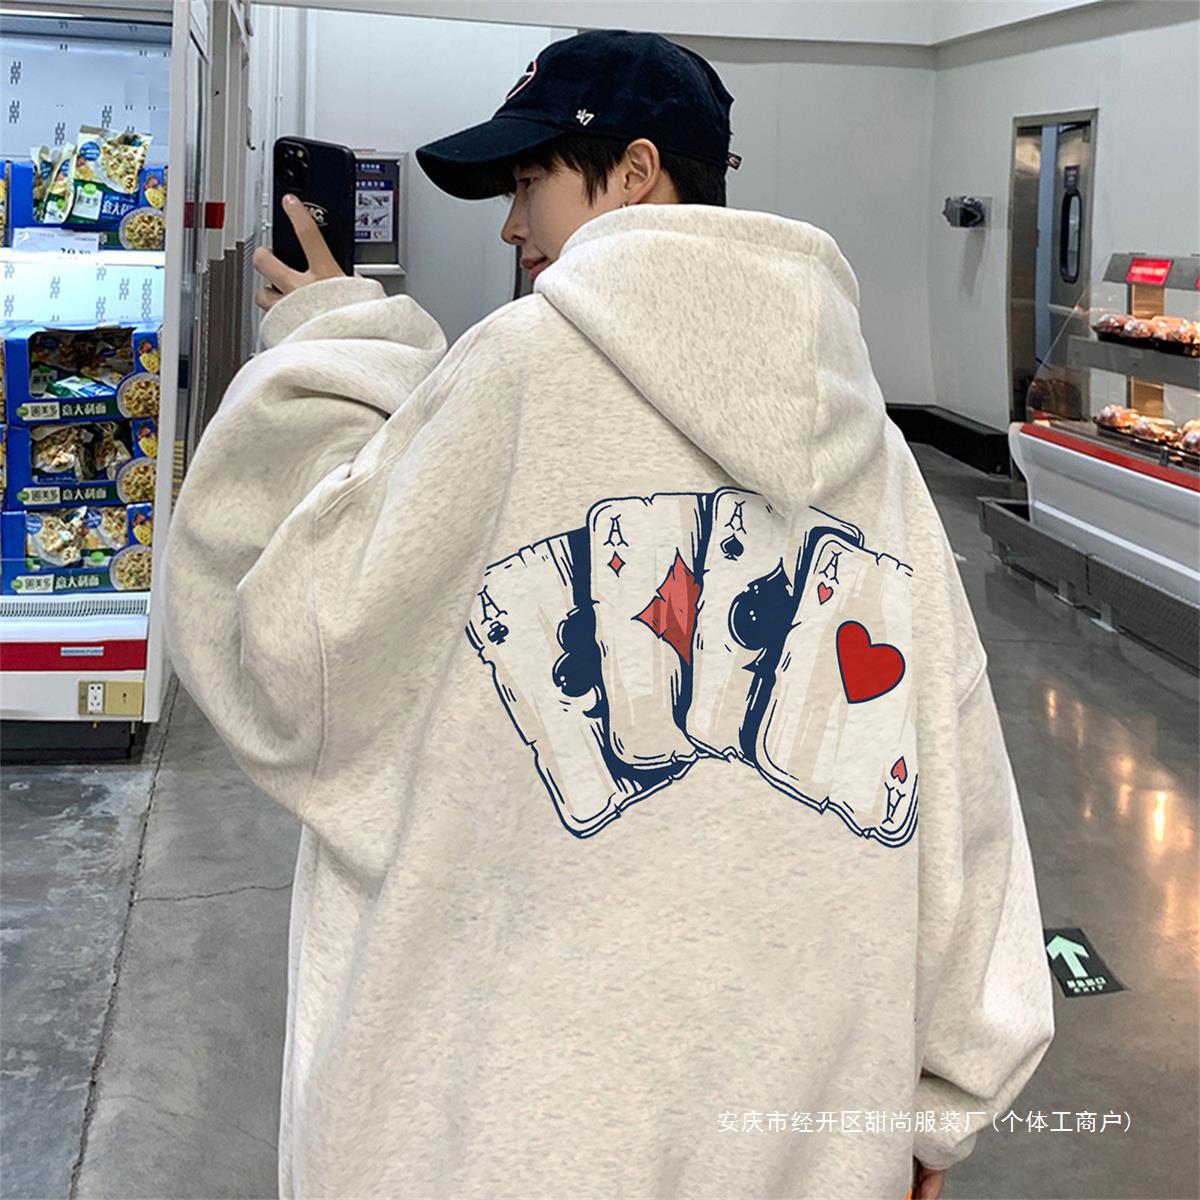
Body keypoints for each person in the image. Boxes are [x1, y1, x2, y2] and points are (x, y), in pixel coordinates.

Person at [163, 28, 1054, 1200]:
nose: (510, 224)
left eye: (529, 180)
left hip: (527, 1125)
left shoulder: (516, 371)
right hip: (798, 1123)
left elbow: (291, 656)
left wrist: (337, 342)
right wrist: (940, 1104)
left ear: (634, 171)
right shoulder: (868, 436)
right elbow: (954, 759)